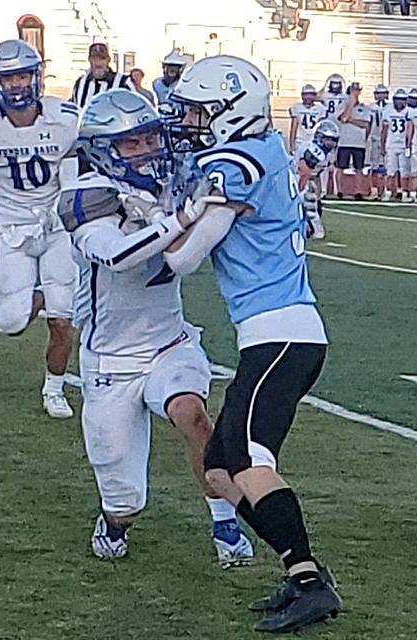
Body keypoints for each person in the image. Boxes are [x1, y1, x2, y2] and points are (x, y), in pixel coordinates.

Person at [166, 54, 341, 634]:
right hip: (271, 334)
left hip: (282, 333)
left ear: (228, 111)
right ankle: (302, 571)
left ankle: (311, 580)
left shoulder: (237, 160)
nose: (189, 120)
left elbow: (185, 259)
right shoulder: (262, 148)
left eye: (199, 110)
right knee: (219, 469)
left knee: (246, 459)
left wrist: (145, 229)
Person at [59, 89, 254, 567]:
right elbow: (117, 255)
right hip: (111, 360)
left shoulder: (174, 182)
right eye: (132, 144)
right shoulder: (85, 195)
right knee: (126, 500)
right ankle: (113, 520)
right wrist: (184, 216)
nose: (148, 150)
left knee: (192, 414)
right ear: (104, 150)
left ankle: (224, 524)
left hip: (169, 341)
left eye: (150, 137)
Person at [0, 40, 78, 419]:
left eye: (23, 75)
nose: (16, 85)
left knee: (63, 321)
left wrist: (80, 219)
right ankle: (40, 295)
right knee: (9, 323)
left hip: (57, 227)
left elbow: (75, 175)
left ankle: (54, 388)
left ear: (37, 76)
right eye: (8, 77)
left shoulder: (65, 118)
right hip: (13, 227)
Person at [296, 120, 341, 238]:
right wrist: (298, 192)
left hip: (305, 180)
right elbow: (304, 172)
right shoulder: (313, 150)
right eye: (327, 139)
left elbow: (315, 174)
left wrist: (317, 194)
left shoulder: (327, 153)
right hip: (296, 179)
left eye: (333, 140)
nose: (330, 143)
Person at [335, 81, 371, 200]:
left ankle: (358, 191)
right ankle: (339, 190)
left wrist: (351, 120)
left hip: (358, 143)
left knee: (359, 168)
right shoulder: (342, 105)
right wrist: (350, 104)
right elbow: (343, 118)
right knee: (341, 167)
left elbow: (365, 124)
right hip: (344, 141)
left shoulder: (364, 108)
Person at [71, 43, 135, 108]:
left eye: (102, 58)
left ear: (108, 60)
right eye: (95, 58)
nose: (98, 63)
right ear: (89, 60)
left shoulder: (124, 83)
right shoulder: (80, 83)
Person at [380, 88, 414, 202]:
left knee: (405, 172)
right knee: (390, 171)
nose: (400, 102)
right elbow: (384, 130)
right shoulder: (387, 111)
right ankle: (388, 192)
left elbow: (410, 129)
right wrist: (383, 144)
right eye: (398, 99)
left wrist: (408, 145)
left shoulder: (409, 112)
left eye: (403, 100)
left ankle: (404, 193)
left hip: (403, 146)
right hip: (391, 144)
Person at [289, 84, 326, 154]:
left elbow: (321, 127)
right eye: (306, 95)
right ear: (302, 96)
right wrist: (292, 145)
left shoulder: (320, 109)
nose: (308, 97)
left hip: (314, 140)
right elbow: (294, 127)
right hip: (300, 140)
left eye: (311, 95)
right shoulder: (297, 107)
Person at [368, 84, 390, 199]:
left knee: (388, 167)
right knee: (374, 166)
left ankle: (387, 190)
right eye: (378, 93)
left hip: (389, 140)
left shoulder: (390, 107)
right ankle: (374, 190)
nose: (380, 96)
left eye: (383, 93)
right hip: (374, 138)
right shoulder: (371, 107)